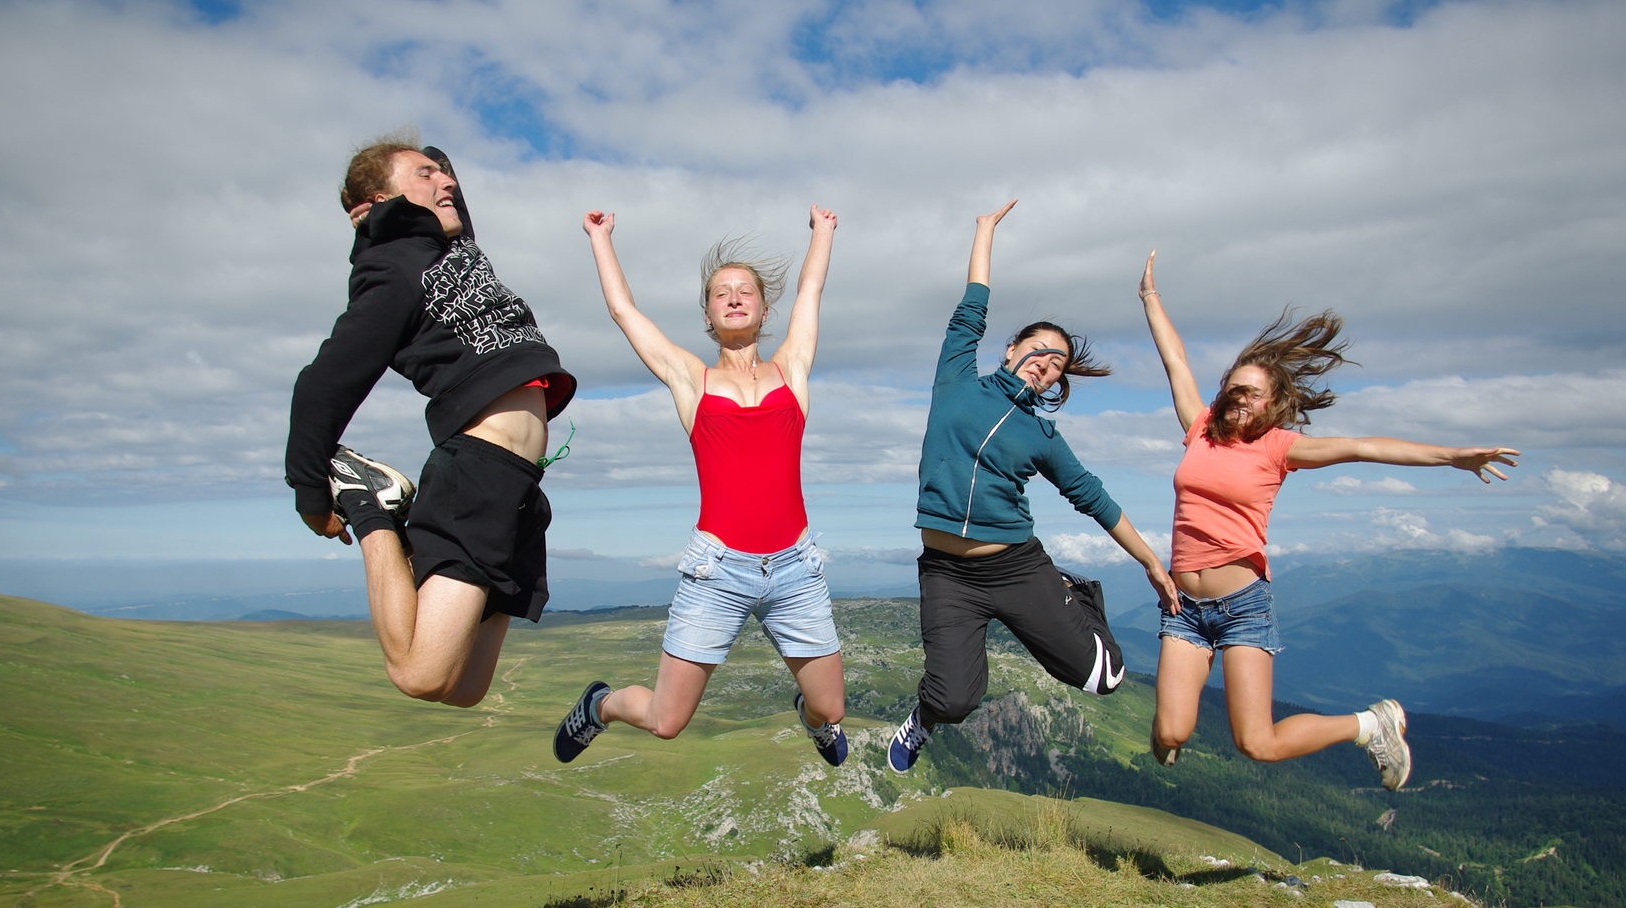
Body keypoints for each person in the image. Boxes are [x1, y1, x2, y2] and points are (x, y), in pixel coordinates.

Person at [1137, 250, 1519, 790]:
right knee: (1170, 734)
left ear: (1273, 405)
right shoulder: (1200, 428)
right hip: (1182, 605)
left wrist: (1452, 456)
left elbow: (1364, 446)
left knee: (1257, 744)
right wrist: (1150, 297)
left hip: (1242, 605)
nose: (1239, 400)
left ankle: (1369, 725)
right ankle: (1171, 732)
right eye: (1234, 389)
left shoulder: (1280, 448)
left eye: (1253, 394)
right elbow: (1175, 360)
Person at [886, 200, 1178, 774]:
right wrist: (984, 231)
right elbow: (971, 306)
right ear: (1012, 348)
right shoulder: (956, 379)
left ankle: (1076, 593)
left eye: (1059, 363)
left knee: (1107, 677)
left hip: (1015, 566)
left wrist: (1150, 563)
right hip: (947, 573)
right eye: (1040, 349)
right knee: (954, 699)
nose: (1047, 363)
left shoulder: (1042, 435)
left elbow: (1095, 499)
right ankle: (923, 720)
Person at [284, 139, 575, 708]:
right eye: (425, 175)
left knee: (464, 690)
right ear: (382, 199)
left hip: (517, 485)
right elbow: (324, 382)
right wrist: (309, 493)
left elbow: (451, 188)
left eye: (445, 175)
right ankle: (369, 504)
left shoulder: (456, 246)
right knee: (418, 676)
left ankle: (384, 514)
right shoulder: (392, 268)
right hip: (477, 472)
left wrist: (432, 164)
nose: (444, 182)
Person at [553, 205, 848, 766]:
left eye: (745, 292)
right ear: (709, 315)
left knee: (829, 709)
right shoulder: (693, 379)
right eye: (721, 293)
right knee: (666, 722)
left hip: (795, 567)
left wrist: (824, 232)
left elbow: (811, 292)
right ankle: (602, 705)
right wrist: (600, 237)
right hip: (718, 569)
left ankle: (808, 718)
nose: (734, 298)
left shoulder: (793, 370)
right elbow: (623, 310)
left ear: (763, 311)